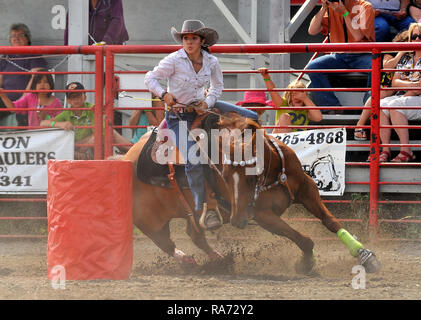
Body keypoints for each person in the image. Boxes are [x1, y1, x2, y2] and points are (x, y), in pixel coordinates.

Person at [144, 19, 258, 230]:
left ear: (201, 40)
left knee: (252, 118)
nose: (188, 42)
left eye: (193, 38)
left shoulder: (211, 62)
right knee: (193, 158)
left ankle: (256, 187)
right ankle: (200, 204)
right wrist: (164, 94)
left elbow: (217, 86)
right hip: (178, 116)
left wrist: (206, 102)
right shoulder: (173, 60)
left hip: (204, 108)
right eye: (185, 38)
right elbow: (150, 78)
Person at [307, 0, 375, 112]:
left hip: (362, 54)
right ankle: (331, 107)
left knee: (375, 67)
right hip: (339, 56)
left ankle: (369, 108)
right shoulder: (331, 8)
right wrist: (323, 7)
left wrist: (344, 13)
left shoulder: (365, 6)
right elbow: (312, 30)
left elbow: (357, 36)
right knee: (313, 67)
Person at [40, 82, 131, 160]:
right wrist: (60, 124)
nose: (76, 99)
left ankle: (132, 151)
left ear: (84, 97)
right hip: (76, 149)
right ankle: (132, 151)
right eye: (72, 97)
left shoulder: (92, 109)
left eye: (78, 96)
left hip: (89, 148)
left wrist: (82, 145)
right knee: (104, 134)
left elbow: (101, 132)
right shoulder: (66, 114)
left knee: (105, 134)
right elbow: (43, 123)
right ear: (68, 100)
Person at [377, 22, 421, 162]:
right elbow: (395, 82)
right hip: (408, 97)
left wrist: (410, 87)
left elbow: (419, 87)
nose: (417, 40)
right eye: (414, 36)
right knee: (381, 104)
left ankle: (406, 150)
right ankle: (385, 150)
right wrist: (412, 85)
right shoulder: (406, 57)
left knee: (395, 104)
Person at [354, 30, 409, 140]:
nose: (414, 40)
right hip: (391, 82)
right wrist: (401, 52)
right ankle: (360, 125)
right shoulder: (393, 50)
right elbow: (387, 66)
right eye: (412, 37)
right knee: (382, 93)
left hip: (409, 84)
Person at [0, 23, 47, 127]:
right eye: (13, 36)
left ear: (28, 38)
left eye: (20, 35)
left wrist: (23, 98)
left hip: (22, 99)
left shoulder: (34, 54)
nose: (16, 38)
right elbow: (0, 79)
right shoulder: (6, 56)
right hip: (4, 98)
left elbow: (36, 78)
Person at [258, 68, 322, 134]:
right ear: (289, 96)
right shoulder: (283, 104)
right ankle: (285, 142)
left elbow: (318, 118)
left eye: (300, 94)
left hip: (298, 141)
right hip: (281, 140)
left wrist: (305, 99)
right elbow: (273, 91)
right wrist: (266, 77)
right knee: (285, 116)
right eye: (293, 94)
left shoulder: (306, 109)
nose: (297, 98)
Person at [64, 0, 129, 45]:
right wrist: (67, 47)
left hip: (112, 49)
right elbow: (70, 23)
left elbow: (117, 20)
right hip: (86, 51)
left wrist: (106, 42)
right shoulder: (77, 3)